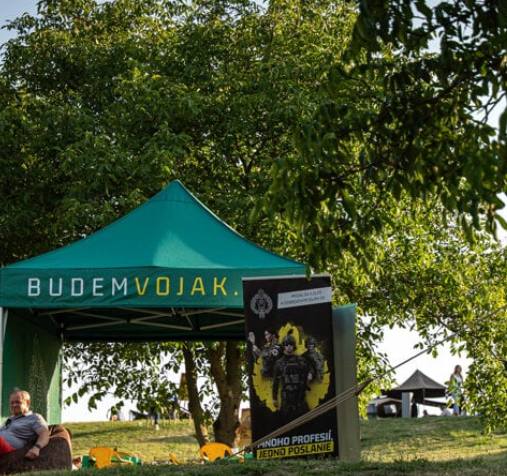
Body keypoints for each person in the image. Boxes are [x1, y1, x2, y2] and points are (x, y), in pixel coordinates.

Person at [272, 333, 312, 420]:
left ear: (294, 346)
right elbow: (275, 382)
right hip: (286, 398)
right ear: (284, 346)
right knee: (286, 421)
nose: (289, 347)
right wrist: (274, 398)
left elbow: (310, 370)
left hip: (300, 397)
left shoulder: (301, 361)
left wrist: (310, 374)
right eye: (287, 344)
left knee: (305, 422)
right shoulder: (279, 363)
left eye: (291, 344)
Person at [0, 390, 49, 459]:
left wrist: (36, 448)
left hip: (11, 450)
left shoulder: (34, 417)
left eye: (18, 402)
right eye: (12, 403)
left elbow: (45, 433)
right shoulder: (9, 419)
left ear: (27, 403)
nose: (14, 405)